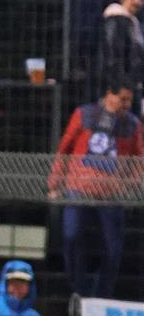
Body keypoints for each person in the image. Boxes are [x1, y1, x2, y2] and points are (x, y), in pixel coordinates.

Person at [48, 81, 144, 299]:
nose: (127, 105)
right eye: (123, 99)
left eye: (130, 100)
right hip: (78, 186)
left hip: (111, 193)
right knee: (71, 235)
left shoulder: (133, 124)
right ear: (109, 93)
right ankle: (79, 291)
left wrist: (127, 184)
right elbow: (65, 147)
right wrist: (56, 182)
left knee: (113, 248)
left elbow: (139, 159)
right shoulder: (84, 114)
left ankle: (101, 294)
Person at [98, 0, 144, 111]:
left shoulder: (132, 22)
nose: (137, 1)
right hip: (120, 84)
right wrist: (117, 85)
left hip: (130, 82)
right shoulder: (115, 18)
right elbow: (112, 54)